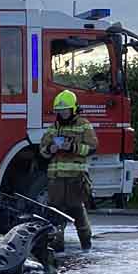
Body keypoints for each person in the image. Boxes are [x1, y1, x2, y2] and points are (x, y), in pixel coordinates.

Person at [40, 90, 97, 251]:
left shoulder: (83, 125)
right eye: (59, 111)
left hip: (75, 178)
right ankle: (57, 250)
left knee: (77, 211)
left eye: (65, 110)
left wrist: (72, 147)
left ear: (73, 109)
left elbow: (92, 148)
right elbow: (42, 150)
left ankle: (86, 247)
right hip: (56, 179)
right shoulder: (54, 128)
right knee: (56, 215)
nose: (62, 114)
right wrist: (50, 149)